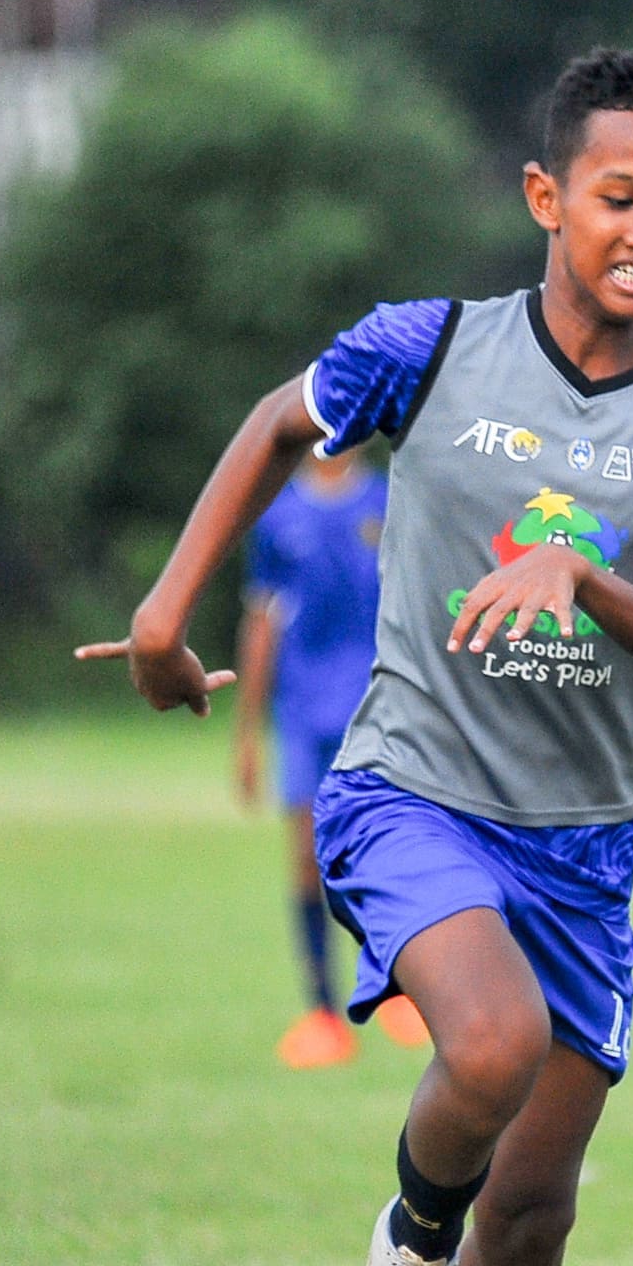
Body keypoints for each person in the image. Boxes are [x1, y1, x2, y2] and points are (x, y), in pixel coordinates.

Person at [80, 49, 633, 1266]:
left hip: (584, 848)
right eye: (617, 197)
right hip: (408, 790)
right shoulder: (433, 347)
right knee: (486, 1043)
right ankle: (406, 1245)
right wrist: (160, 614)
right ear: (546, 199)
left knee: (531, 1215)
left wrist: (581, 576)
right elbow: (275, 427)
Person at [230, 440, 429, 1067]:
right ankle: (321, 1013)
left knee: (390, 853)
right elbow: (261, 622)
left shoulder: (391, 501)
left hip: (379, 706)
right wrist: (246, 733)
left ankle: (400, 989)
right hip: (302, 714)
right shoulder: (279, 516)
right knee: (306, 859)